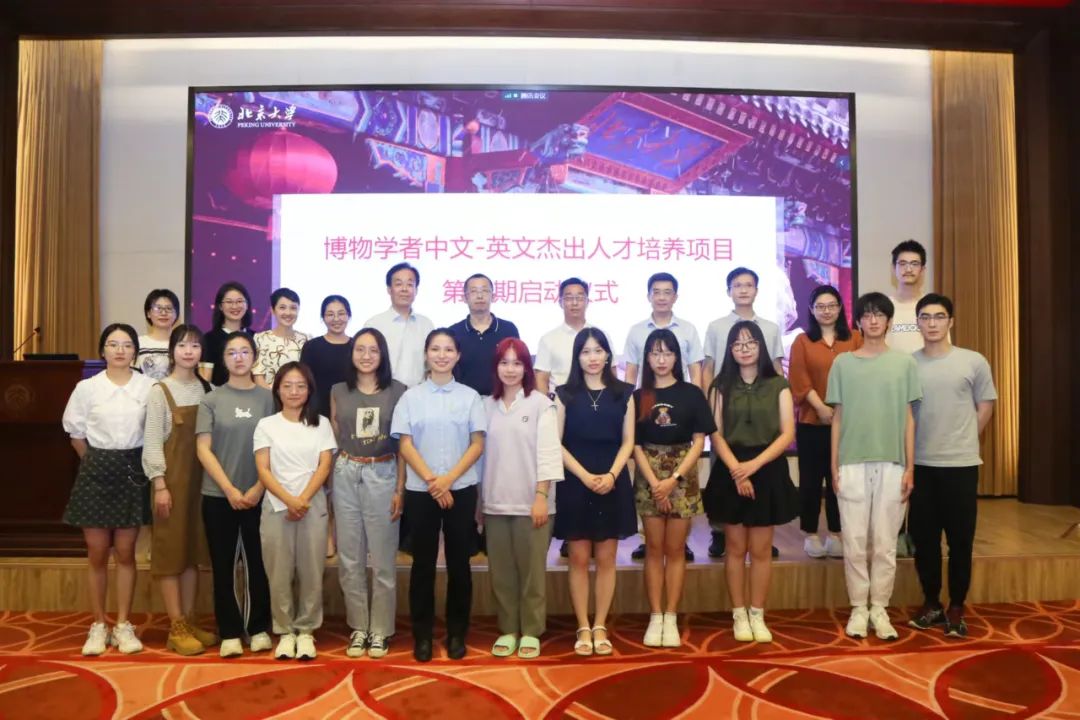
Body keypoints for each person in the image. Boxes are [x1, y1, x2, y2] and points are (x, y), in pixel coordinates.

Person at [826, 292, 922, 641]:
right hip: (851, 462)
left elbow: (909, 418)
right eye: (867, 315)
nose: (873, 320)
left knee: (884, 543)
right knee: (854, 540)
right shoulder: (843, 363)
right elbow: (837, 418)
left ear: (889, 321)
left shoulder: (904, 364)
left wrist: (910, 467)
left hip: (893, 463)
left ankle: (879, 608)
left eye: (880, 314)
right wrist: (834, 465)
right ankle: (858, 608)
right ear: (858, 322)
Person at [391, 329, 486, 662]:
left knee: (460, 563)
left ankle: (457, 632)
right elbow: (405, 445)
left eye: (448, 350)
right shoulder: (411, 397)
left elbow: (477, 444)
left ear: (458, 355)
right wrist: (434, 481)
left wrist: (448, 480)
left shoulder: (470, 397)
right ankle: (422, 636)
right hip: (422, 491)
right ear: (426, 354)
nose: (442, 355)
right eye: (435, 349)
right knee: (423, 565)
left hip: (460, 489)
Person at [63, 323, 155, 656]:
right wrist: (97, 462)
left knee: (127, 553)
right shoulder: (87, 388)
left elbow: (156, 432)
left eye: (127, 345)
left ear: (135, 352)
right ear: (103, 350)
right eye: (113, 344)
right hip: (96, 469)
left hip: (133, 469)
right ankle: (99, 624)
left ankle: (123, 625)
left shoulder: (149, 386)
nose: (120, 350)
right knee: (98, 552)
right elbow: (76, 435)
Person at [908, 294, 996, 639]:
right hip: (921, 465)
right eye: (925, 317)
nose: (932, 323)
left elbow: (985, 405)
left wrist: (965, 437)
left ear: (951, 321)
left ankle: (957, 605)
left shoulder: (973, 361)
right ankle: (932, 602)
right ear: (917, 322)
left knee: (960, 540)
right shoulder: (908, 364)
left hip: (961, 465)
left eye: (939, 316)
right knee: (924, 540)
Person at [706, 321, 798, 643]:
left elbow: (787, 433)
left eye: (750, 343)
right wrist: (738, 470)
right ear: (730, 350)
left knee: (760, 549)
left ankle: (757, 613)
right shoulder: (719, 385)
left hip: (767, 468)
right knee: (734, 547)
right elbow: (715, 434)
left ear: (761, 346)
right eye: (737, 344)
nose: (744, 349)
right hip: (730, 468)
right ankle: (739, 614)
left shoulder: (778, 385)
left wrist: (753, 467)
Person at [554, 328, 636, 657]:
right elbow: (556, 443)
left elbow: (628, 442)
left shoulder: (624, 393)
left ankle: (600, 624)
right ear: (577, 357)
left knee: (606, 558)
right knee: (577, 557)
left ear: (608, 355)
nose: (592, 357)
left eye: (598, 350)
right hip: (576, 480)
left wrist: (612, 474)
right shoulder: (564, 394)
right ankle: (582, 626)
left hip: (612, 480)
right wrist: (586, 476)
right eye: (586, 351)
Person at [632, 329, 715, 647]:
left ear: (677, 357)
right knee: (654, 548)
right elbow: (635, 444)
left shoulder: (692, 393)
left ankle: (671, 615)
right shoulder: (640, 396)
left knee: (676, 549)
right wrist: (656, 484)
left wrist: (673, 480)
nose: (661, 359)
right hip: (649, 476)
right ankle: (656, 616)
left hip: (683, 476)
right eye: (655, 353)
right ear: (647, 358)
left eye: (667, 353)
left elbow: (699, 441)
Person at [196, 331, 275, 658]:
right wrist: (228, 489)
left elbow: (278, 446)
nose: (239, 358)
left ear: (254, 357)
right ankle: (229, 630)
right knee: (224, 564)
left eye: (245, 352)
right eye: (232, 352)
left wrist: (259, 487)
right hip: (219, 495)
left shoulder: (269, 398)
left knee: (259, 562)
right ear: (224, 359)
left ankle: (258, 628)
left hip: (261, 493)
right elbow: (203, 449)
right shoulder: (211, 399)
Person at [482, 338, 562, 659]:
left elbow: (549, 453)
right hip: (494, 501)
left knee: (531, 573)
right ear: (496, 367)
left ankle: (530, 630)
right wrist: (479, 502)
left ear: (527, 368)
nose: (510, 369)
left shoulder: (541, 404)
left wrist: (541, 495)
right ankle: (508, 629)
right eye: (504, 362)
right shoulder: (485, 405)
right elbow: (480, 456)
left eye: (517, 363)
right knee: (501, 573)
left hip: (533, 504)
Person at [330, 328, 407, 659]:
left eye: (373, 350)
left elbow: (404, 445)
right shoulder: (338, 390)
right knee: (350, 558)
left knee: (383, 558)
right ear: (351, 354)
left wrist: (400, 488)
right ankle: (359, 627)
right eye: (359, 349)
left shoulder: (399, 391)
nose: (366, 356)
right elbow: (335, 436)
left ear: (382, 354)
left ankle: (381, 630)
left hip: (383, 472)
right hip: (347, 472)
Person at [142, 324, 218, 655]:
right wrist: (159, 484)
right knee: (171, 552)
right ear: (172, 351)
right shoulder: (160, 391)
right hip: (171, 482)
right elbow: (151, 443)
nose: (189, 351)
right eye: (183, 345)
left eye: (195, 346)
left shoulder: (208, 389)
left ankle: (189, 620)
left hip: (203, 483)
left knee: (192, 553)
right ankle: (175, 627)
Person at [254, 362, 337, 661]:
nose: (293, 391)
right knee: (278, 572)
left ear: (309, 390)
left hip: (311, 505)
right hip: (277, 506)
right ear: (277, 389)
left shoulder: (321, 424)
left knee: (311, 571)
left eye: (300, 386)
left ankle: (306, 630)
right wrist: (289, 500)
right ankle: (285, 630)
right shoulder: (266, 425)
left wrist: (302, 500)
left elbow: (324, 465)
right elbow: (263, 469)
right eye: (287, 385)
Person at [701, 267, 784, 559]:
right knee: (723, 470)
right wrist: (709, 406)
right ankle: (720, 531)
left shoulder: (770, 328)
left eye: (749, 285)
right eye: (737, 285)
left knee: (764, 475)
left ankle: (762, 529)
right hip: (726, 407)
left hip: (761, 407)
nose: (743, 290)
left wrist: (776, 403)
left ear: (757, 291)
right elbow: (708, 369)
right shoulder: (716, 326)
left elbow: (776, 368)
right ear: (729, 291)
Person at [625, 272, 704, 562]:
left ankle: (681, 542)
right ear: (649, 296)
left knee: (677, 537)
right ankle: (647, 540)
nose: (661, 297)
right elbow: (631, 372)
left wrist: (695, 402)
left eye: (667, 292)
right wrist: (628, 405)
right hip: (647, 402)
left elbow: (695, 370)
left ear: (675, 296)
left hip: (681, 407)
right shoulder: (636, 331)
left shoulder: (688, 329)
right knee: (653, 530)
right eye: (656, 292)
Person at [788, 285, 862, 559]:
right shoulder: (802, 341)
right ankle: (810, 533)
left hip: (847, 423)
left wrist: (839, 411)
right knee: (810, 479)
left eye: (831, 305)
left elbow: (861, 376)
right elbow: (798, 377)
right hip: (811, 422)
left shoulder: (855, 339)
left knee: (839, 480)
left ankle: (835, 532)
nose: (826, 311)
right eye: (820, 306)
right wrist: (819, 407)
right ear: (811, 310)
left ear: (840, 308)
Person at [364, 262, 434, 388]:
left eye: (410, 284)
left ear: (416, 290)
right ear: (389, 289)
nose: (404, 289)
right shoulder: (374, 324)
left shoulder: (426, 325)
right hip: (381, 392)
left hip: (417, 393)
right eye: (398, 284)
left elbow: (431, 365)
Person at [449, 273, 520, 397]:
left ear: (493, 296)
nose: (480, 296)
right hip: (463, 401)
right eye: (473, 291)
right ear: (464, 298)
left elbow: (518, 365)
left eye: (485, 291)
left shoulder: (508, 329)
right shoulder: (454, 332)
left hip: (501, 400)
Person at [299, 294, 353, 419]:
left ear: (348, 316)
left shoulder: (357, 346)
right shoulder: (312, 346)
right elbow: (305, 381)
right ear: (323, 317)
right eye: (330, 314)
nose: (336, 319)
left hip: (351, 411)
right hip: (319, 412)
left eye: (341, 314)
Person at [535, 278, 591, 396]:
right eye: (569, 298)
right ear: (560, 302)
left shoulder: (601, 336)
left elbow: (611, 374)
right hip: (559, 403)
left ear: (587, 302)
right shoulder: (548, 339)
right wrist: (547, 406)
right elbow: (541, 379)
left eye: (580, 297)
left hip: (595, 403)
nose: (574, 303)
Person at [200, 282, 254, 387]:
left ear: (247, 304)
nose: (234, 306)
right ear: (220, 306)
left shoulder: (256, 337)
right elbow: (205, 381)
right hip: (220, 396)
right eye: (229, 302)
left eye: (239, 301)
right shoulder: (208, 339)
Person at [254, 287, 309, 389]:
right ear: (273, 310)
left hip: (299, 396)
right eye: (282, 308)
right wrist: (277, 397)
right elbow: (258, 377)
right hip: (268, 397)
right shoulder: (260, 339)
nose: (288, 313)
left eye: (293, 308)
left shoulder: (307, 340)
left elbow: (309, 376)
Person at [885, 239, 929, 354]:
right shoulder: (883, 308)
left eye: (914, 264)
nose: (908, 269)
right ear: (893, 268)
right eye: (902, 263)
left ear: (922, 270)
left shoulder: (932, 307)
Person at [136, 289, 179, 380]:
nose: (163, 313)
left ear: (176, 314)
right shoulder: (137, 343)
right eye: (158, 308)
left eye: (169, 308)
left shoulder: (182, 344)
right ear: (148, 313)